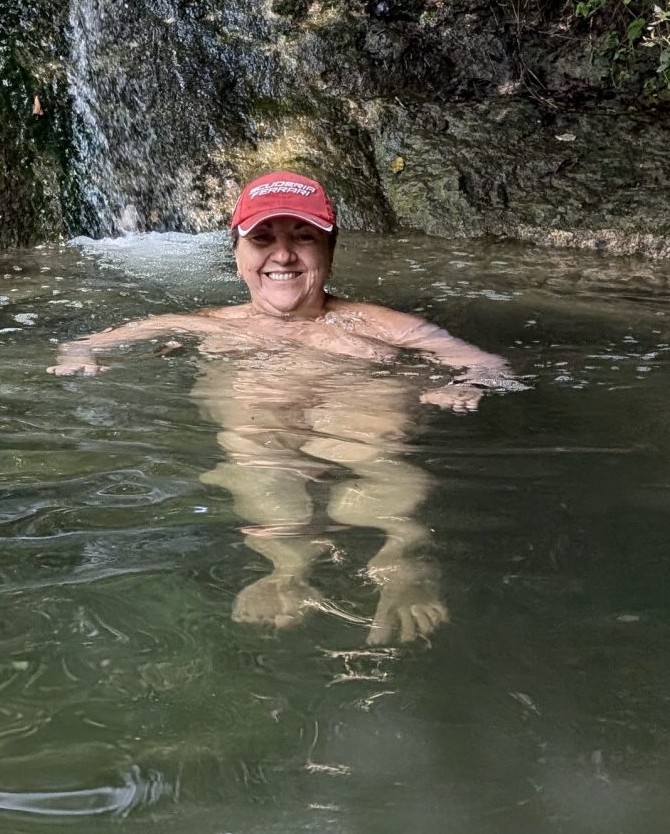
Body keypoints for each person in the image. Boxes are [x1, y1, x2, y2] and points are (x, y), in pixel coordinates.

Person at [51, 172, 518, 644]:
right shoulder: (205, 324)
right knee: (251, 454)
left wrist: (466, 382)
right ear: (237, 256)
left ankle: (403, 554)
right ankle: (287, 567)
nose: (283, 255)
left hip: (355, 409)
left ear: (329, 254)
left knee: (370, 455)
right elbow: (87, 342)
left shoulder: (379, 325)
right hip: (262, 430)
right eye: (262, 239)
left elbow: (487, 364)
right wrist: (80, 355)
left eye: (303, 237)